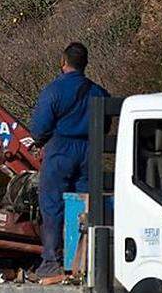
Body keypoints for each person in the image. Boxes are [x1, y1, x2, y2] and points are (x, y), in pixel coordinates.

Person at [30, 42, 109, 278]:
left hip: (60, 150)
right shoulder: (99, 92)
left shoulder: (53, 91)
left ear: (63, 62)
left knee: (53, 206)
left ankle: (51, 262)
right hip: (89, 151)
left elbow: (39, 129)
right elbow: (104, 125)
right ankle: (82, 262)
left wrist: (41, 141)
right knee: (84, 205)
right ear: (85, 64)